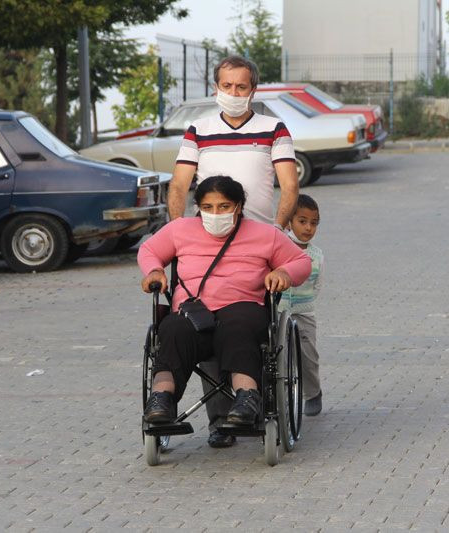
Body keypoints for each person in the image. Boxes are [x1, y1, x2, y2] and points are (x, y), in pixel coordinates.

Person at [167, 55, 300, 448]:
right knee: (203, 318)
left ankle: (255, 401)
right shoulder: (199, 130)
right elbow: (179, 185)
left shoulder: (273, 129)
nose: (234, 94)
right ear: (216, 88)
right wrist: (179, 233)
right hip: (207, 238)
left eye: (241, 87)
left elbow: (289, 186)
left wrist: (276, 230)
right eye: (227, 86)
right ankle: (220, 418)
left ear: (253, 90)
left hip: (255, 244)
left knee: (246, 322)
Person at [138, 176, 311, 429]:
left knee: (238, 327)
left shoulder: (265, 235)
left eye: (223, 207)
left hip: (242, 308)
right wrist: (154, 271)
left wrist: (283, 273)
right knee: (172, 329)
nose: (215, 214)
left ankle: (246, 398)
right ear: (198, 207)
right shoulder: (179, 230)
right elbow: (149, 250)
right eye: (207, 208)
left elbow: (301, 261)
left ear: (238, 206)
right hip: (193, 314)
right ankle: (162, 399)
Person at [279, 195, 325, 416]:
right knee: (278, 354)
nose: (308, 228)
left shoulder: (317, 256)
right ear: (289, 222)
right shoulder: (280, 246)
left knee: (308, 356)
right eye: (302, 221)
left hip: (304, 313)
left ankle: (313, 393)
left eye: (313, 223)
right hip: (279, 312)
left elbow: (317, 285)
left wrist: (304, 303)